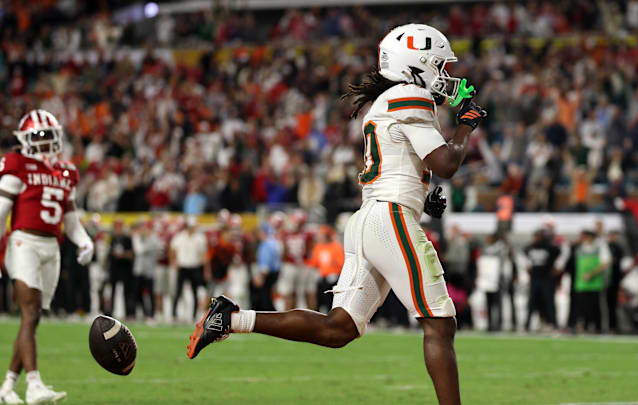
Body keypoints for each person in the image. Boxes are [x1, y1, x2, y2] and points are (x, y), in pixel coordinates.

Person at [187, 23, 486, 405]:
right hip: (389, 219)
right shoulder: (411, 95)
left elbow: (397, 161)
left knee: (338, 329)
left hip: (370, 218)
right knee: (440, 324)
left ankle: (230, 319)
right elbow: (446, 162)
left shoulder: (391, 99)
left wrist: (422, 196)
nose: (444, 76)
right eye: (439, 66)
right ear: (417, 65)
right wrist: (466, 124)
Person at [0, 110, 94, 404]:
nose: (44, 143)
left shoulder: (65, 172)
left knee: (34, 317)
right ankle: (34, 384)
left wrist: (84, 241)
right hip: (23, 242)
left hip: (51, 246)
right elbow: (0, 213)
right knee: (30, 312)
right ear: (25, 141)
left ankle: (6, 386)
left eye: (48, 137)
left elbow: (71, 221)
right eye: (38, 137)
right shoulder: (17, 166)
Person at [571, 230, 611, 333]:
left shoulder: (600, 248)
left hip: (595, 282)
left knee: (595, 306)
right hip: (581, 282)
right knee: (581, 306)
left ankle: (596, 327)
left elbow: (605, 263)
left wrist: (592, 274)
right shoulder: (580, 248)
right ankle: (583, 325)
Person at [170, 216, 208, 321]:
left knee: (194, 292)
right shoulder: (180, 237)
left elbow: (203, 254)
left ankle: (193, 315)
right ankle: (174, 315)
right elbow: (172, 249)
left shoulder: (200, 238)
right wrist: (173, 262)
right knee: (178, 291)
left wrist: (204, 268)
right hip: (182, 267)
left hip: (194, 267)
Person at [524, 229, 560, 331]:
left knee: (549, 302)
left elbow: (560, 254)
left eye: (538, 237)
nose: (536, 239)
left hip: (547, 279)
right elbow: (523, 256)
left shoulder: (550, 247)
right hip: (534, 279)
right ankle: (527, 324)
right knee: (531, 303)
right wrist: (527, 267)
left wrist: (557, 268)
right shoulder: (530, 247)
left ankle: (553, 323)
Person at [132, 219, 162, 320]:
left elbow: (139, 250)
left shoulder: (153, 239)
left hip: (150, 271)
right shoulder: (140, 238)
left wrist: (136, 237)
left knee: (150, 293)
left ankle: (151, 315)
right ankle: (144, 313)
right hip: (139, 269)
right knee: (137, 292)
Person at [250, 222, 282, 311]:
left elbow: (265, 265)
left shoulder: (265, 245)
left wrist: (261, 277)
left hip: (269, 274)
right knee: (267, 296)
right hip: (275, 272)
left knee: (265, 298)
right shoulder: (273, 242)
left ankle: (270, 318)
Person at [107, 219, 135, 318]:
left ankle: (129, 313)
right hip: (115, 269)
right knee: (112, 292)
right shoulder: (113, 239)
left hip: (125, 269)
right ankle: (110, 313)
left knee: (127, 292)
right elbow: (109, 254)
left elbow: (132, 254)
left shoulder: (127, 238)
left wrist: (122, 255)